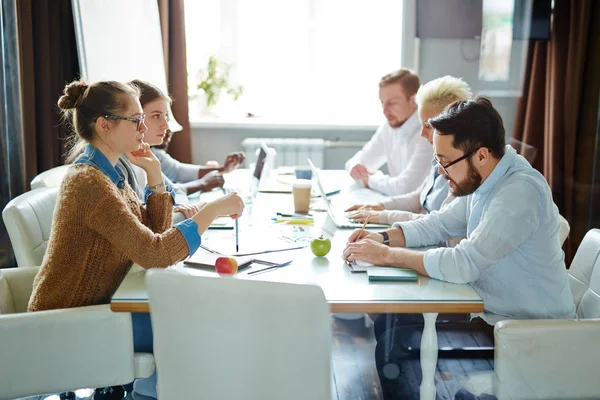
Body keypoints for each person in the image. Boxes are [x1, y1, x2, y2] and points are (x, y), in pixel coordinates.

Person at [343, 97, 576, 399]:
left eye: (445, 161)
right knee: (391, 324)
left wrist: (387, 256)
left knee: (395, 348)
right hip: (492, 317)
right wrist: (384, 237)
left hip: (528, 336)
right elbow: (439, 224)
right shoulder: (488, 176)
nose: (440, 172)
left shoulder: (519, 192)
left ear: (480, 155)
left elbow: (464, 262)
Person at [28, 80, 244, 400]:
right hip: (69, 325)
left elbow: (153, 234)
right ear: (105, 125)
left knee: (189, 319)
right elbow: (154, 253)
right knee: (187, 325)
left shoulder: (108, 174)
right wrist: (211, 211)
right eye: (137, 120)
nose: (144, 128)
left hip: (96, 311)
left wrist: (155, 177)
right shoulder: (90, 182)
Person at [345, 76, 472, 227]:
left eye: (428, 126)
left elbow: (438, 224)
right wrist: (379, 207)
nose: (422, 134)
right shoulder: (439, 159)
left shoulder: (463, 170)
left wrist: (381, 215)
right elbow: (418, 197)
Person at [130, 79, 245, 195]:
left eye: (165, 116)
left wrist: (223, 169)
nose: (166, 126)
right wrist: (203, 184)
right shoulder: (129, 162)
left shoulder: (150, 152)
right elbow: (171, 192)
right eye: (156, 116)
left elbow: (176, 173)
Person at [345, 69, 432, 196]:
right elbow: (357, 161)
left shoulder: (428, 133)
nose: (384, 110)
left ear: (413, 100)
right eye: (382, 102)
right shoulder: (388, 127)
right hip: (396, 206)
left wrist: (370, 179)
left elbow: (405, 188)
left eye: (392, 103)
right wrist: (355, 167)